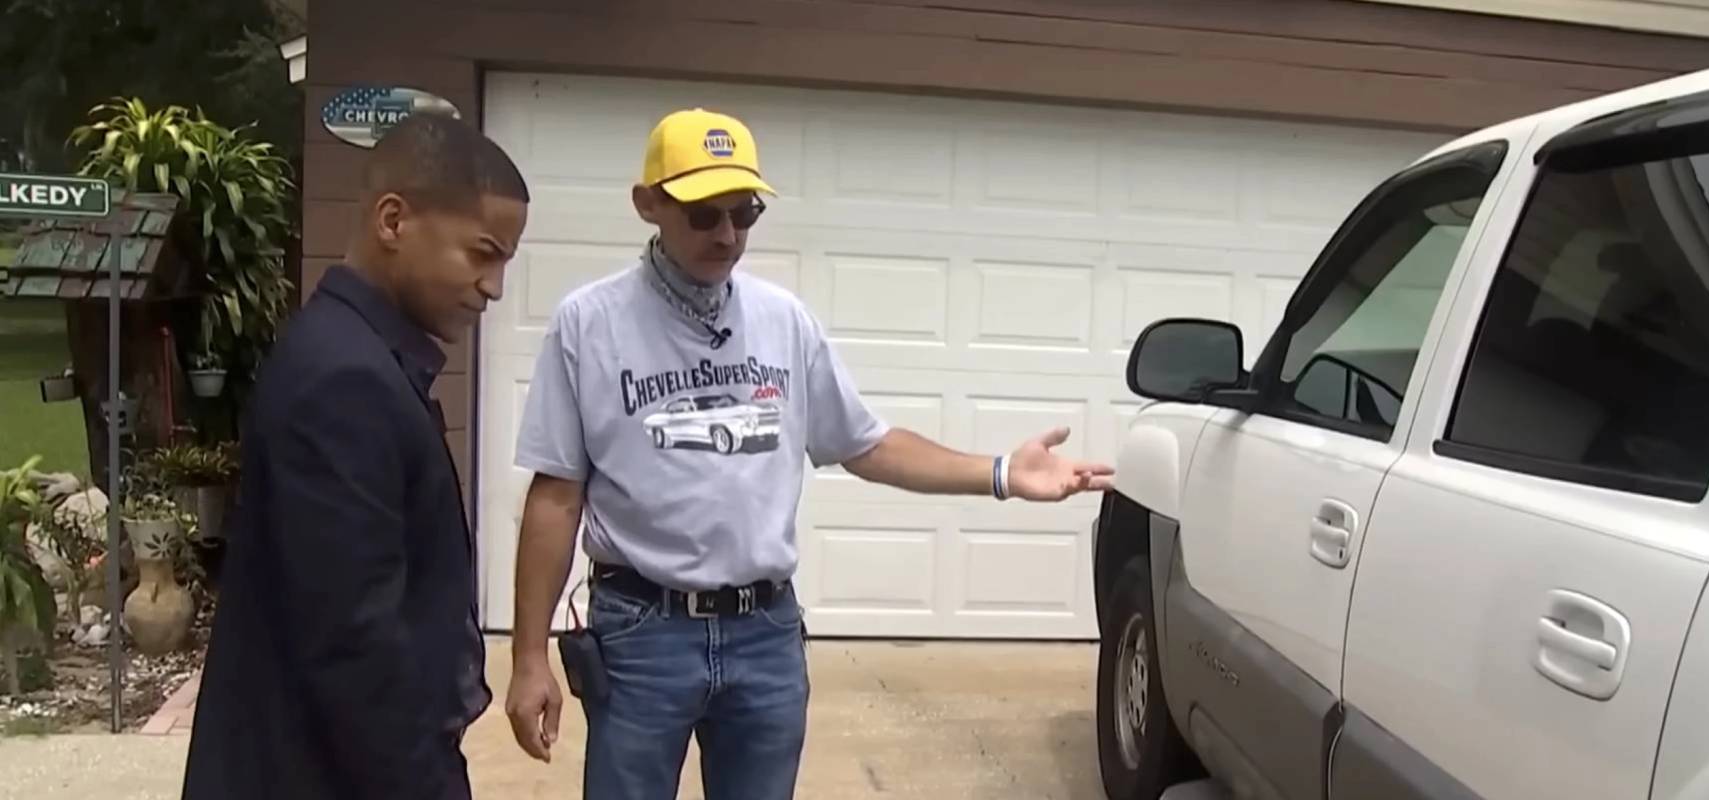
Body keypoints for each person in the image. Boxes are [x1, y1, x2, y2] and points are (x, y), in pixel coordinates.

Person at [503, 107, 1113, 799]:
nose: (728, 235)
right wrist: (528, 658)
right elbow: (556, 496)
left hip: (765, 633)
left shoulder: (782, 321)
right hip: (643, 633)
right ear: (649, 204)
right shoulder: (590, 323)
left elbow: (867, 444)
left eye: (746, 213)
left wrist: (1000, 473)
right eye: (704, 215)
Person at [181, 113, 530, 800]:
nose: (493, 286)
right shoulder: (345, 378)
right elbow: (353, 646)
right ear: (393, 222)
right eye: (482, 253)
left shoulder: (358, 356)